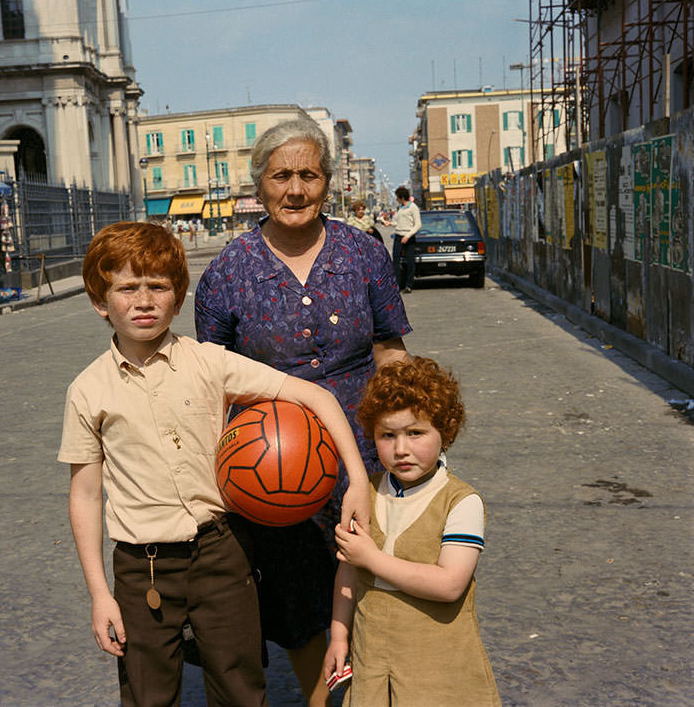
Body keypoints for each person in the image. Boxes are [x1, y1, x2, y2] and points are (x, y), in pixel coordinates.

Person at [59, 221, 371, 707]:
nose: (144, 301)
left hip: (221, 554)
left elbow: (315, 396)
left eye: (158, 287)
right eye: (127, 288)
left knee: (240, 688)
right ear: (101, 301)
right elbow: (85, 494)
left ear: (178, 299)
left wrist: (356, 481)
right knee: (147, 695)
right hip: (143, 569)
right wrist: (101, 594)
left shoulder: (210, 362)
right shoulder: (87, 390)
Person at [195, 117, 412, 707]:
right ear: (259, 184)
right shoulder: (225, 274)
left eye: (309, 175)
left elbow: (391, 351)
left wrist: (404, 441)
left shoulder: (364, 253)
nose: (295, 189)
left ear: (327, 182)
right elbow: (210, 381)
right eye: (281, 175)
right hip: (276, 473)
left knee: (374, 587)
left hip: (364, 458)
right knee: (299, 603)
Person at [323, 357, 501, 706]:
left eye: (415, 433)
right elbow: (347, 569)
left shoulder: (461, 501)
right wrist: (339, 636)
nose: (401, 449)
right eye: (387, 435)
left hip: (438, 667)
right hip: (374, 662)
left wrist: (372, 558)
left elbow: (450, 584)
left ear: (444, 431)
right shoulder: (365, 492)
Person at [392, 186, 421, 293]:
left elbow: (418, 225)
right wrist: (388, 223)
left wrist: (408, 235)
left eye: (397, 197)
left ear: (402, 197)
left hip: (409, 237)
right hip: (398, 236)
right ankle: (398, 285)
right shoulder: (400, 208)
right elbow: (397, 222)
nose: (396, 199)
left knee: (410, 262)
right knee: (395, 261)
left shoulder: (413, 207)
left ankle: (409, 285)